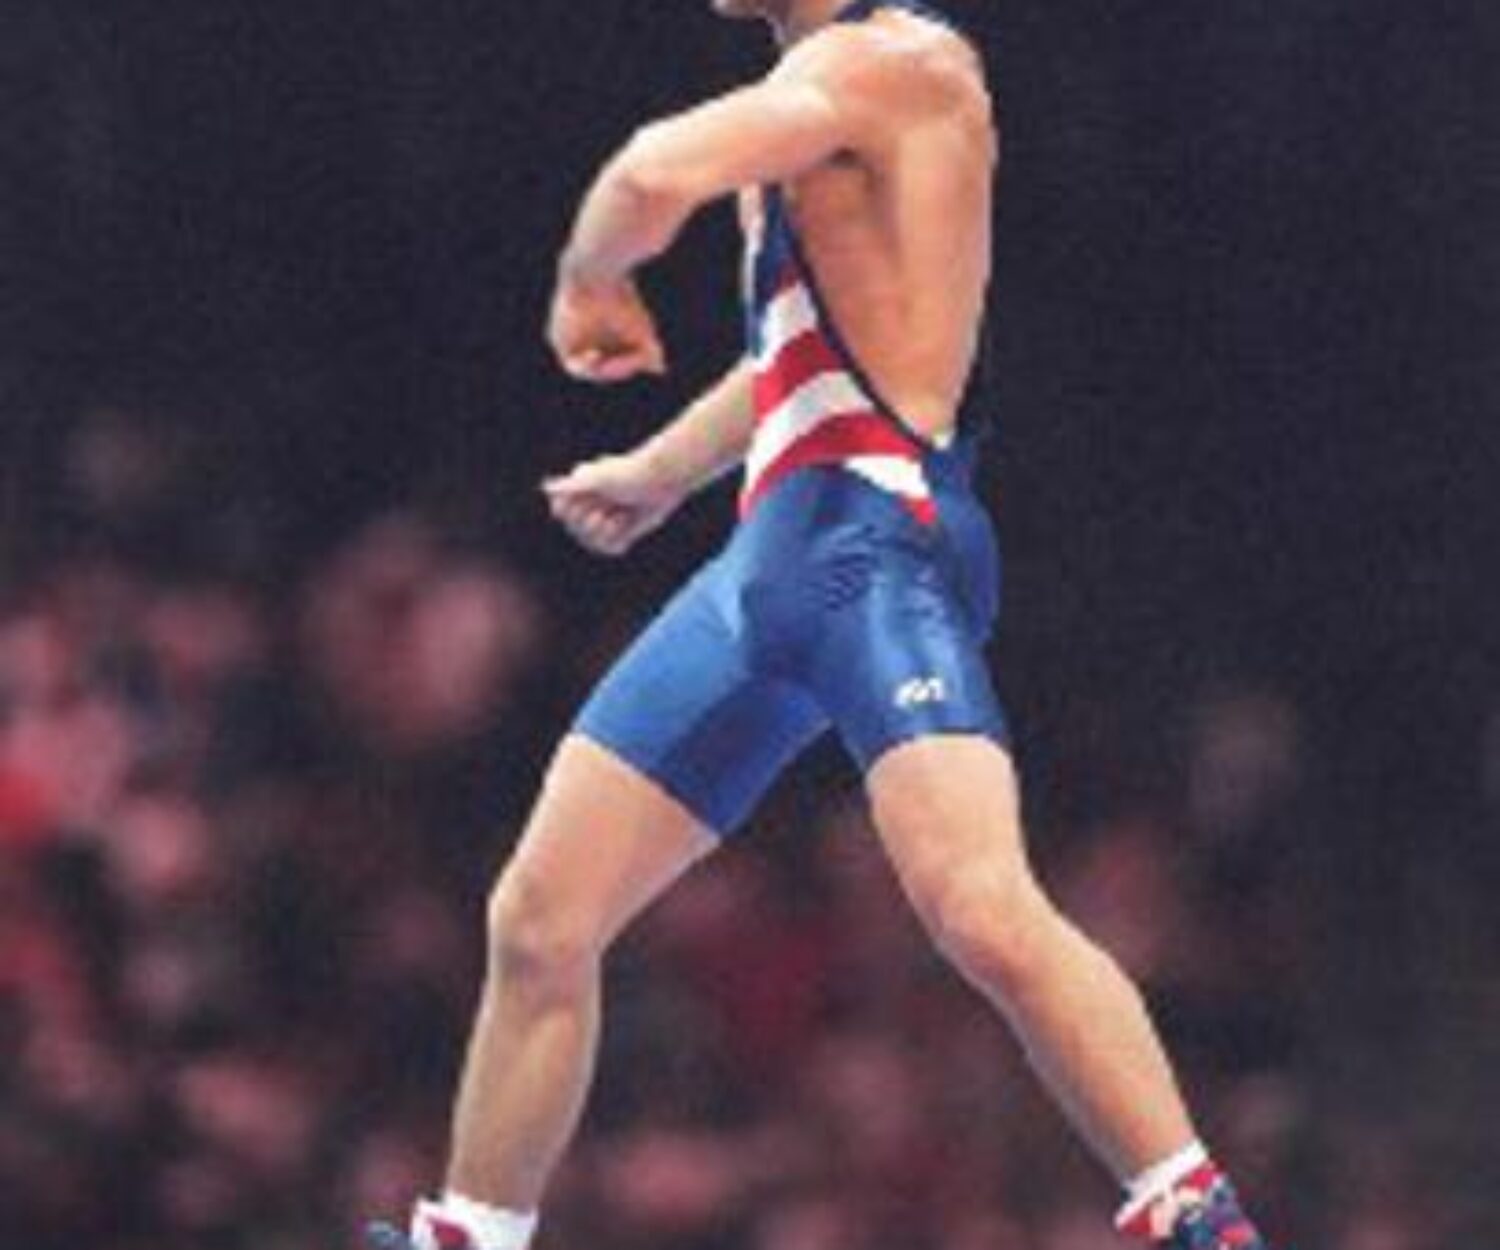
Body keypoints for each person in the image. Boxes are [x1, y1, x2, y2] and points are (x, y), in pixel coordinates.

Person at [368, 2, 1273, 1248]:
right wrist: (659, 470)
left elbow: (650, 171)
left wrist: (589, 278)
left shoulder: (896, 65)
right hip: (771, 565)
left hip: (878, 546)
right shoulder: (820, 96)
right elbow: (793, 359)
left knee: (979, 906)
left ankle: (1202, 1218)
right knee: (538, 918)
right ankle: (469, 1232)